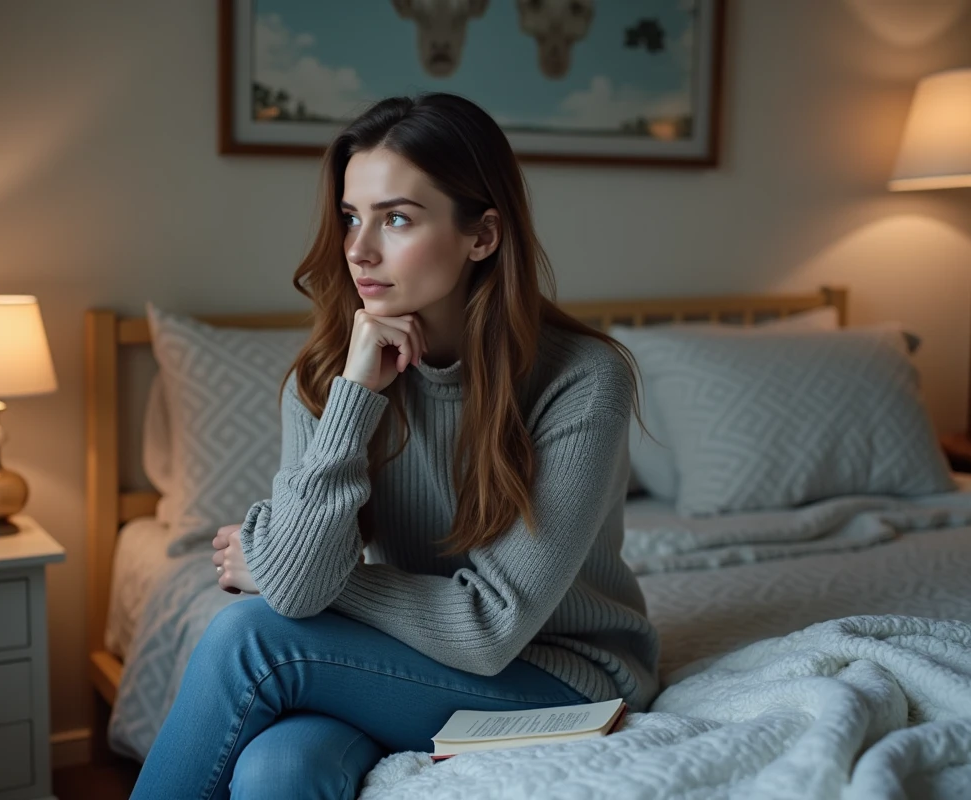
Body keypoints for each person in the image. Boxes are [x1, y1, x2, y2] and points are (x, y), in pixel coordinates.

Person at [129, 92, 659, 800]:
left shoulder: (584, 379)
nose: (358, 249)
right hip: (409, 658)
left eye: (397, 219)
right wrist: (356, 397)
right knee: (276, 770)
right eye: (352, 217)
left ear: (482, 236)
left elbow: (488, 628)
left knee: (247, 637)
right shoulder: (329, 378)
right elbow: (297, 587)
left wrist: (282, 565)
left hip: (562, 678)